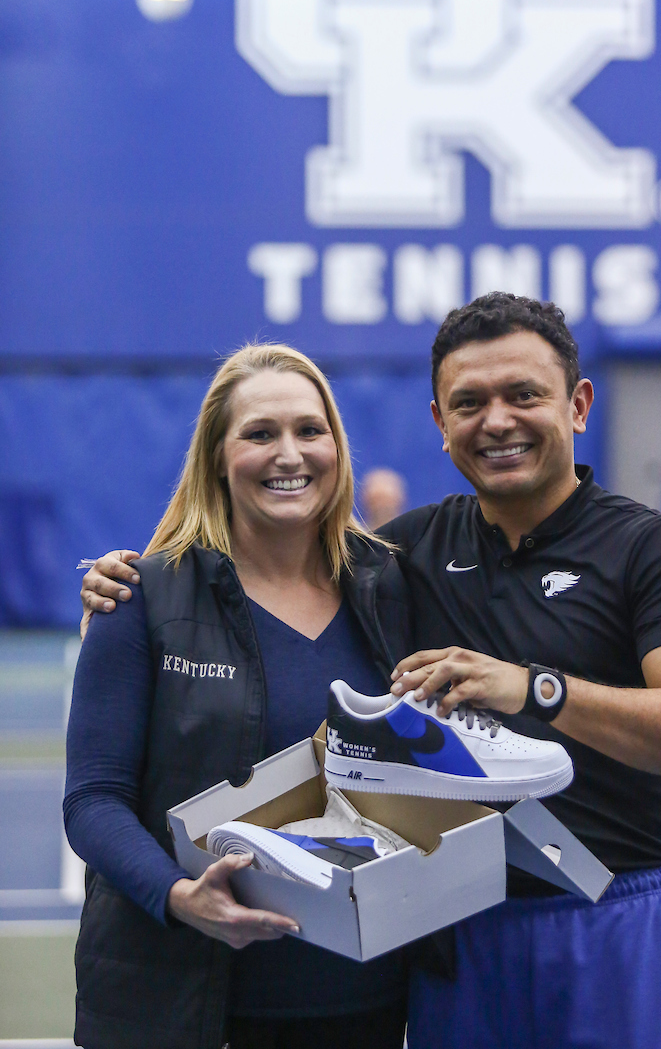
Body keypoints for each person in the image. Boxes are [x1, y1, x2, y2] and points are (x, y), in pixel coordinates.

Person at [82, 295, 661, 1049]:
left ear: (578, 405)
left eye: (524, 394)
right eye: (470, 403)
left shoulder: (651, 549)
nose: (497, 421)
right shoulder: (399, 558)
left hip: (619, 917)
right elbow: (267, 563)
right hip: (455, 931)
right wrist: (130, 585)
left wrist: (533, 688)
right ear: (439, 422)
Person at [66, 344, 411, 1049]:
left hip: (363, 1001)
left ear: (337, 446)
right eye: (260, 434)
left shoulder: (394, 586)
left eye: (310, 431)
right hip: (179, 1005)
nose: (290, 454)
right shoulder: (141, 596)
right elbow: (92, 800)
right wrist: (177, 895)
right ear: (218, 457)